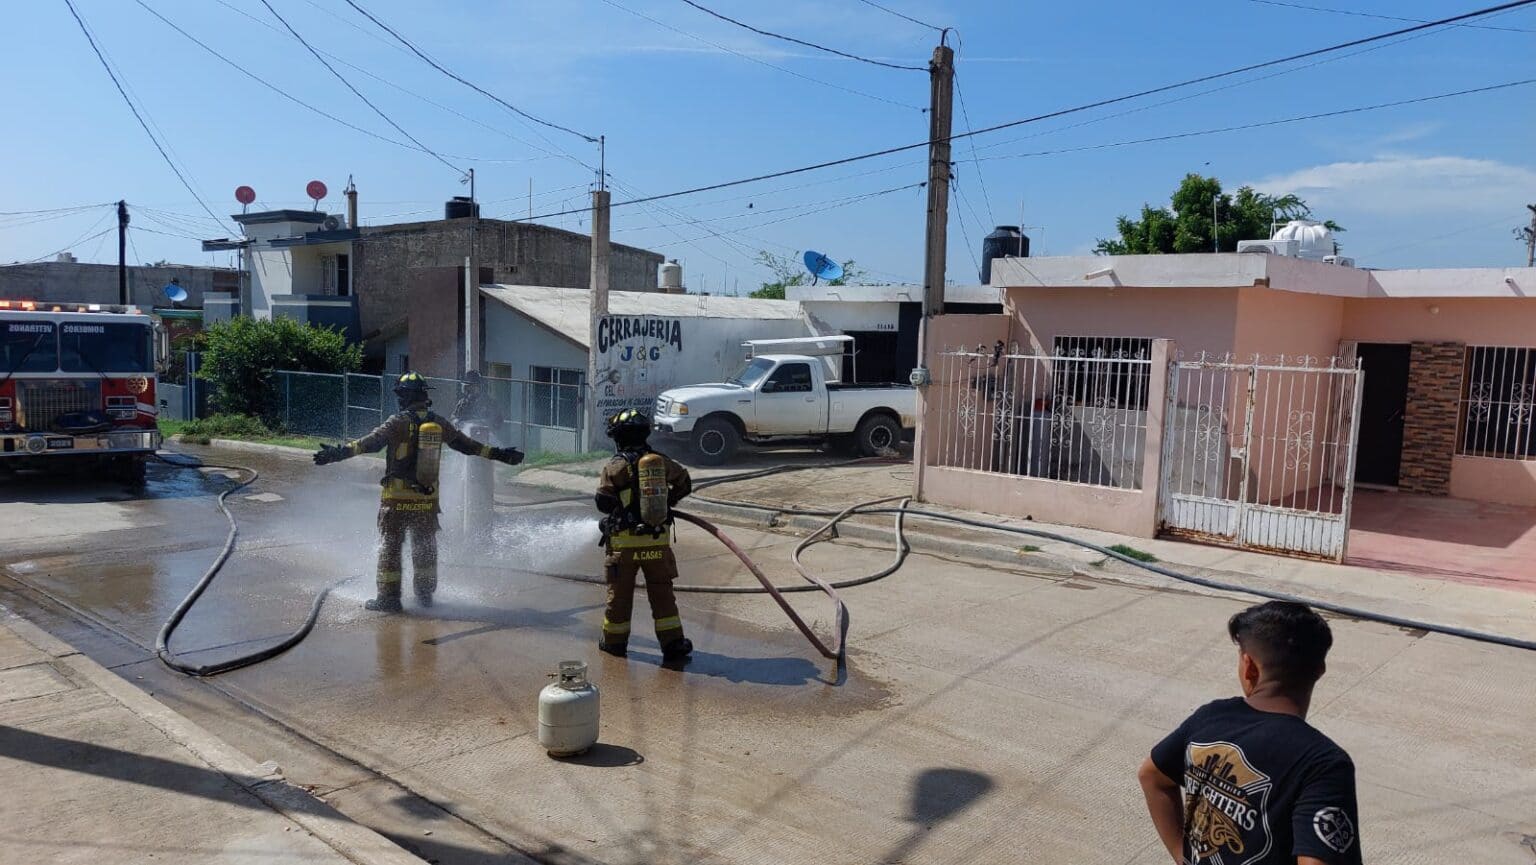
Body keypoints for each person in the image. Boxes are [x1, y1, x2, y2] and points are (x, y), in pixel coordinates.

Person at [1138, 601, 1362, 865]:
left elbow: (1152, 776)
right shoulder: (1322, 763)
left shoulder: (1210, 717)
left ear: (1249, 666)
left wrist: (1183, 856)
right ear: (1319, 670)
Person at [313, 372, 523, 612]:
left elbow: (368, 443)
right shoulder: (440, 423)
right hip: (427, 500)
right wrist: (500, 454)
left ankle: (389, 600)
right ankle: (425, 597)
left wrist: (337, 453)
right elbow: (468, 446)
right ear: (424, 396)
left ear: (404, 397)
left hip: (396, 499)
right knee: (425, 547)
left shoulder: (397, 422)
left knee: (390, 546)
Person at [593, 408, 693, 664]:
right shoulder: (659, 462)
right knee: (663, 597)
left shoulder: (616, 466)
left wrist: (620, 509)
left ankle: (614, 644)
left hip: (624, 547)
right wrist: (666, 503)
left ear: (618, 437)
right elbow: (685, 482)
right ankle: (673, 645)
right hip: (657, 544)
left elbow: (603, 502)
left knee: (620, 597)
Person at [451, 370, 505, 438]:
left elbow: (497, 421)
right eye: (465, 387)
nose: (467, 389)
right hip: (465, 438)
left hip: (486, 437)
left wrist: (475, 423)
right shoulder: (463, 402)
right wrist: (456, 421)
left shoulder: (490, 403)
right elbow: (454, 416)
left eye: (470, 386)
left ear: (478, 386)